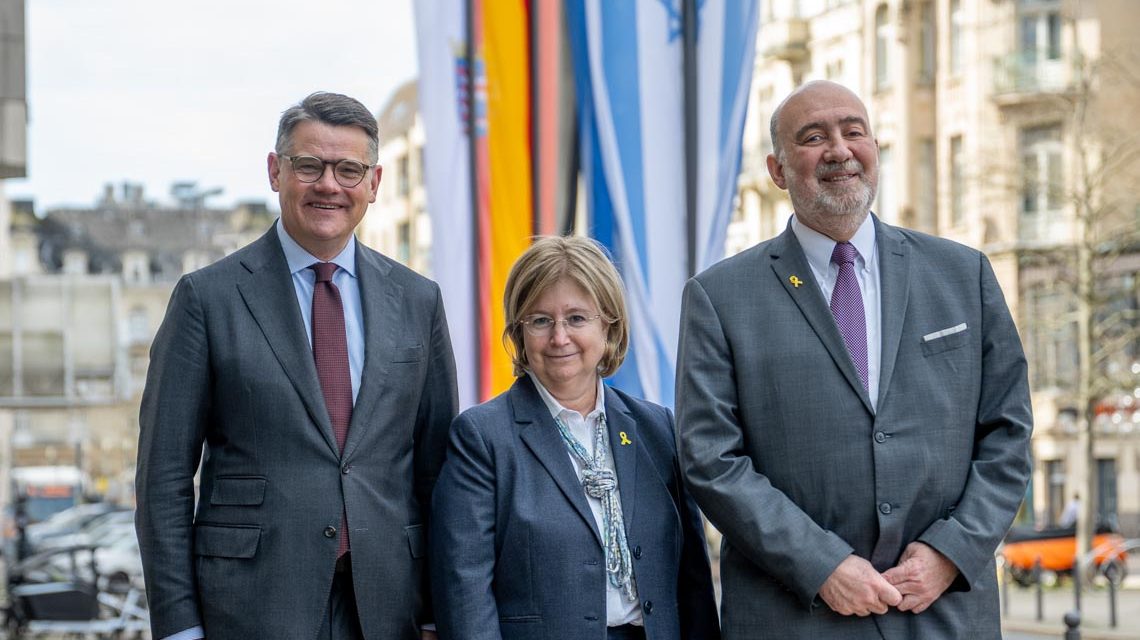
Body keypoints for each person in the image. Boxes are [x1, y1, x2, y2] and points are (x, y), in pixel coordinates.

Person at [675, 80, 1033, 639]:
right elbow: (711, 458)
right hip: (796, 617)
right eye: (813, 137)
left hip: (943, 613)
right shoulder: (719, 298)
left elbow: (1008, 433)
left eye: (853, 131)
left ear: (875, 148)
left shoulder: (964, 275)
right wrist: (821, 566)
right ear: (776, 170)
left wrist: (951, 551)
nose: (839, 149)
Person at [135, 92, 458, 640]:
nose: (329, 184)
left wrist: (435, 609)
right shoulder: (206, 299)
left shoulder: (418, 299)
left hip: (387, 606)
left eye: (348, 170)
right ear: (274, 171)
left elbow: (436, 471)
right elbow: (163, 479)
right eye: (308, 166)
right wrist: (179, 626)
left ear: (374, 183)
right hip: (249, 606)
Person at [430, 236, 720, 640]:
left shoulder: (656, 429)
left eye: (577, 319)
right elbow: (463, 588)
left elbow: (692, 578)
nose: (559, 337)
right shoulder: (482, 438)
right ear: (519, 333)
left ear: (609, 327)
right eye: (540, 320)